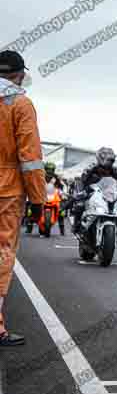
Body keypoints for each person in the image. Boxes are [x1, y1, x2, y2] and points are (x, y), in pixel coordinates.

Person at [0, 50, 46, 346]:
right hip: (6, 191)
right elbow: (30, 159)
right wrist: (38, 200)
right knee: (3, 252)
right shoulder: (20, 103)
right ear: (18, 75)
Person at [68, 147, 117, 233]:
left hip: (107, 193)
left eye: (111, 160)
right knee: (80, 205)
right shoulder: (91, 167)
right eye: (108, 160)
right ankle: (76, 226)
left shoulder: (114, 170)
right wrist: (81, 191)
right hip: (92, 190)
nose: (109, 162)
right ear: (100, 158)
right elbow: (83, 179)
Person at [43, 162, 66, 235]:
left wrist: (62, 193)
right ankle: (30, 224)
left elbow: (62, 186)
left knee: (61, 211)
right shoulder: (41, 176)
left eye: (51, 169)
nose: (49, 171)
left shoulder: (56, 177)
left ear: (53, 170)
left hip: (53, 194)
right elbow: (37, 184)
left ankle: (62, 229)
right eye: (48, 169)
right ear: (45, 169)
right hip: (43, 194)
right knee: (32, 206)